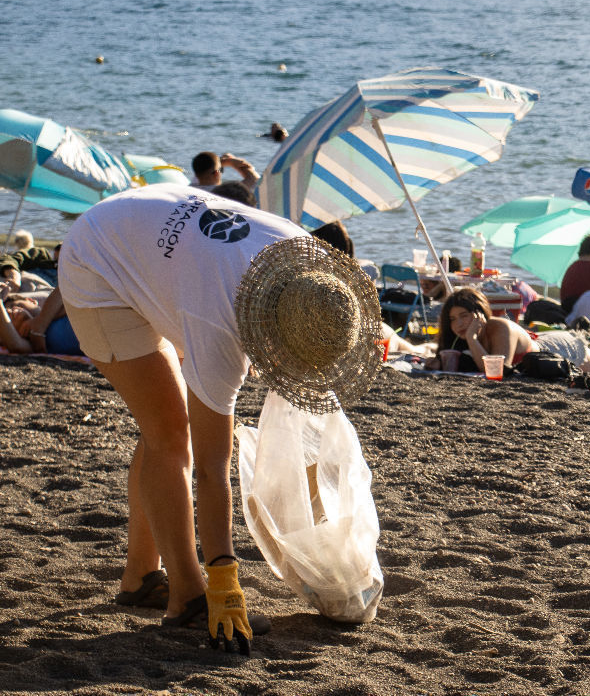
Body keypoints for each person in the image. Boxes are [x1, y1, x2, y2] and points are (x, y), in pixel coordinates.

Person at [57, 184, 381, 655]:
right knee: (171, 433)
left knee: (163, 423)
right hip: (98, 261)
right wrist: (225, 578)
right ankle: (188, 598)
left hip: (156, 231)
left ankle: (140, 577)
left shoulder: (307, 268)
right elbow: (213, 472)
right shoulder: (218, 328)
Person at [433, 288, 590, 380]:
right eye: (453, 319)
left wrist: (473, 339)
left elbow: (497, 373)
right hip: (541, 345)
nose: (459, 324)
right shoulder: (458, 338)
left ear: (479, 313)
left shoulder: (500, 328)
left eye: (464, 316)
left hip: (556, 350)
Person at [0, 283, 82, 356]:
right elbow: (14, 344)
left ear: (31, 300)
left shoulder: (54, 307)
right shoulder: (34, 343)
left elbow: (67, 285)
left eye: (13, 306)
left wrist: (40, 323)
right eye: (6, 319)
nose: (11, 311)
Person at [191, 151, 260, 193]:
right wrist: (232, 162)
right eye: (221, 169)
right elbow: (254, 179)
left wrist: (226, 161)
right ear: (217, 173)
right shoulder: (224, 193)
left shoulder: (190, 188)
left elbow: (204, 167)